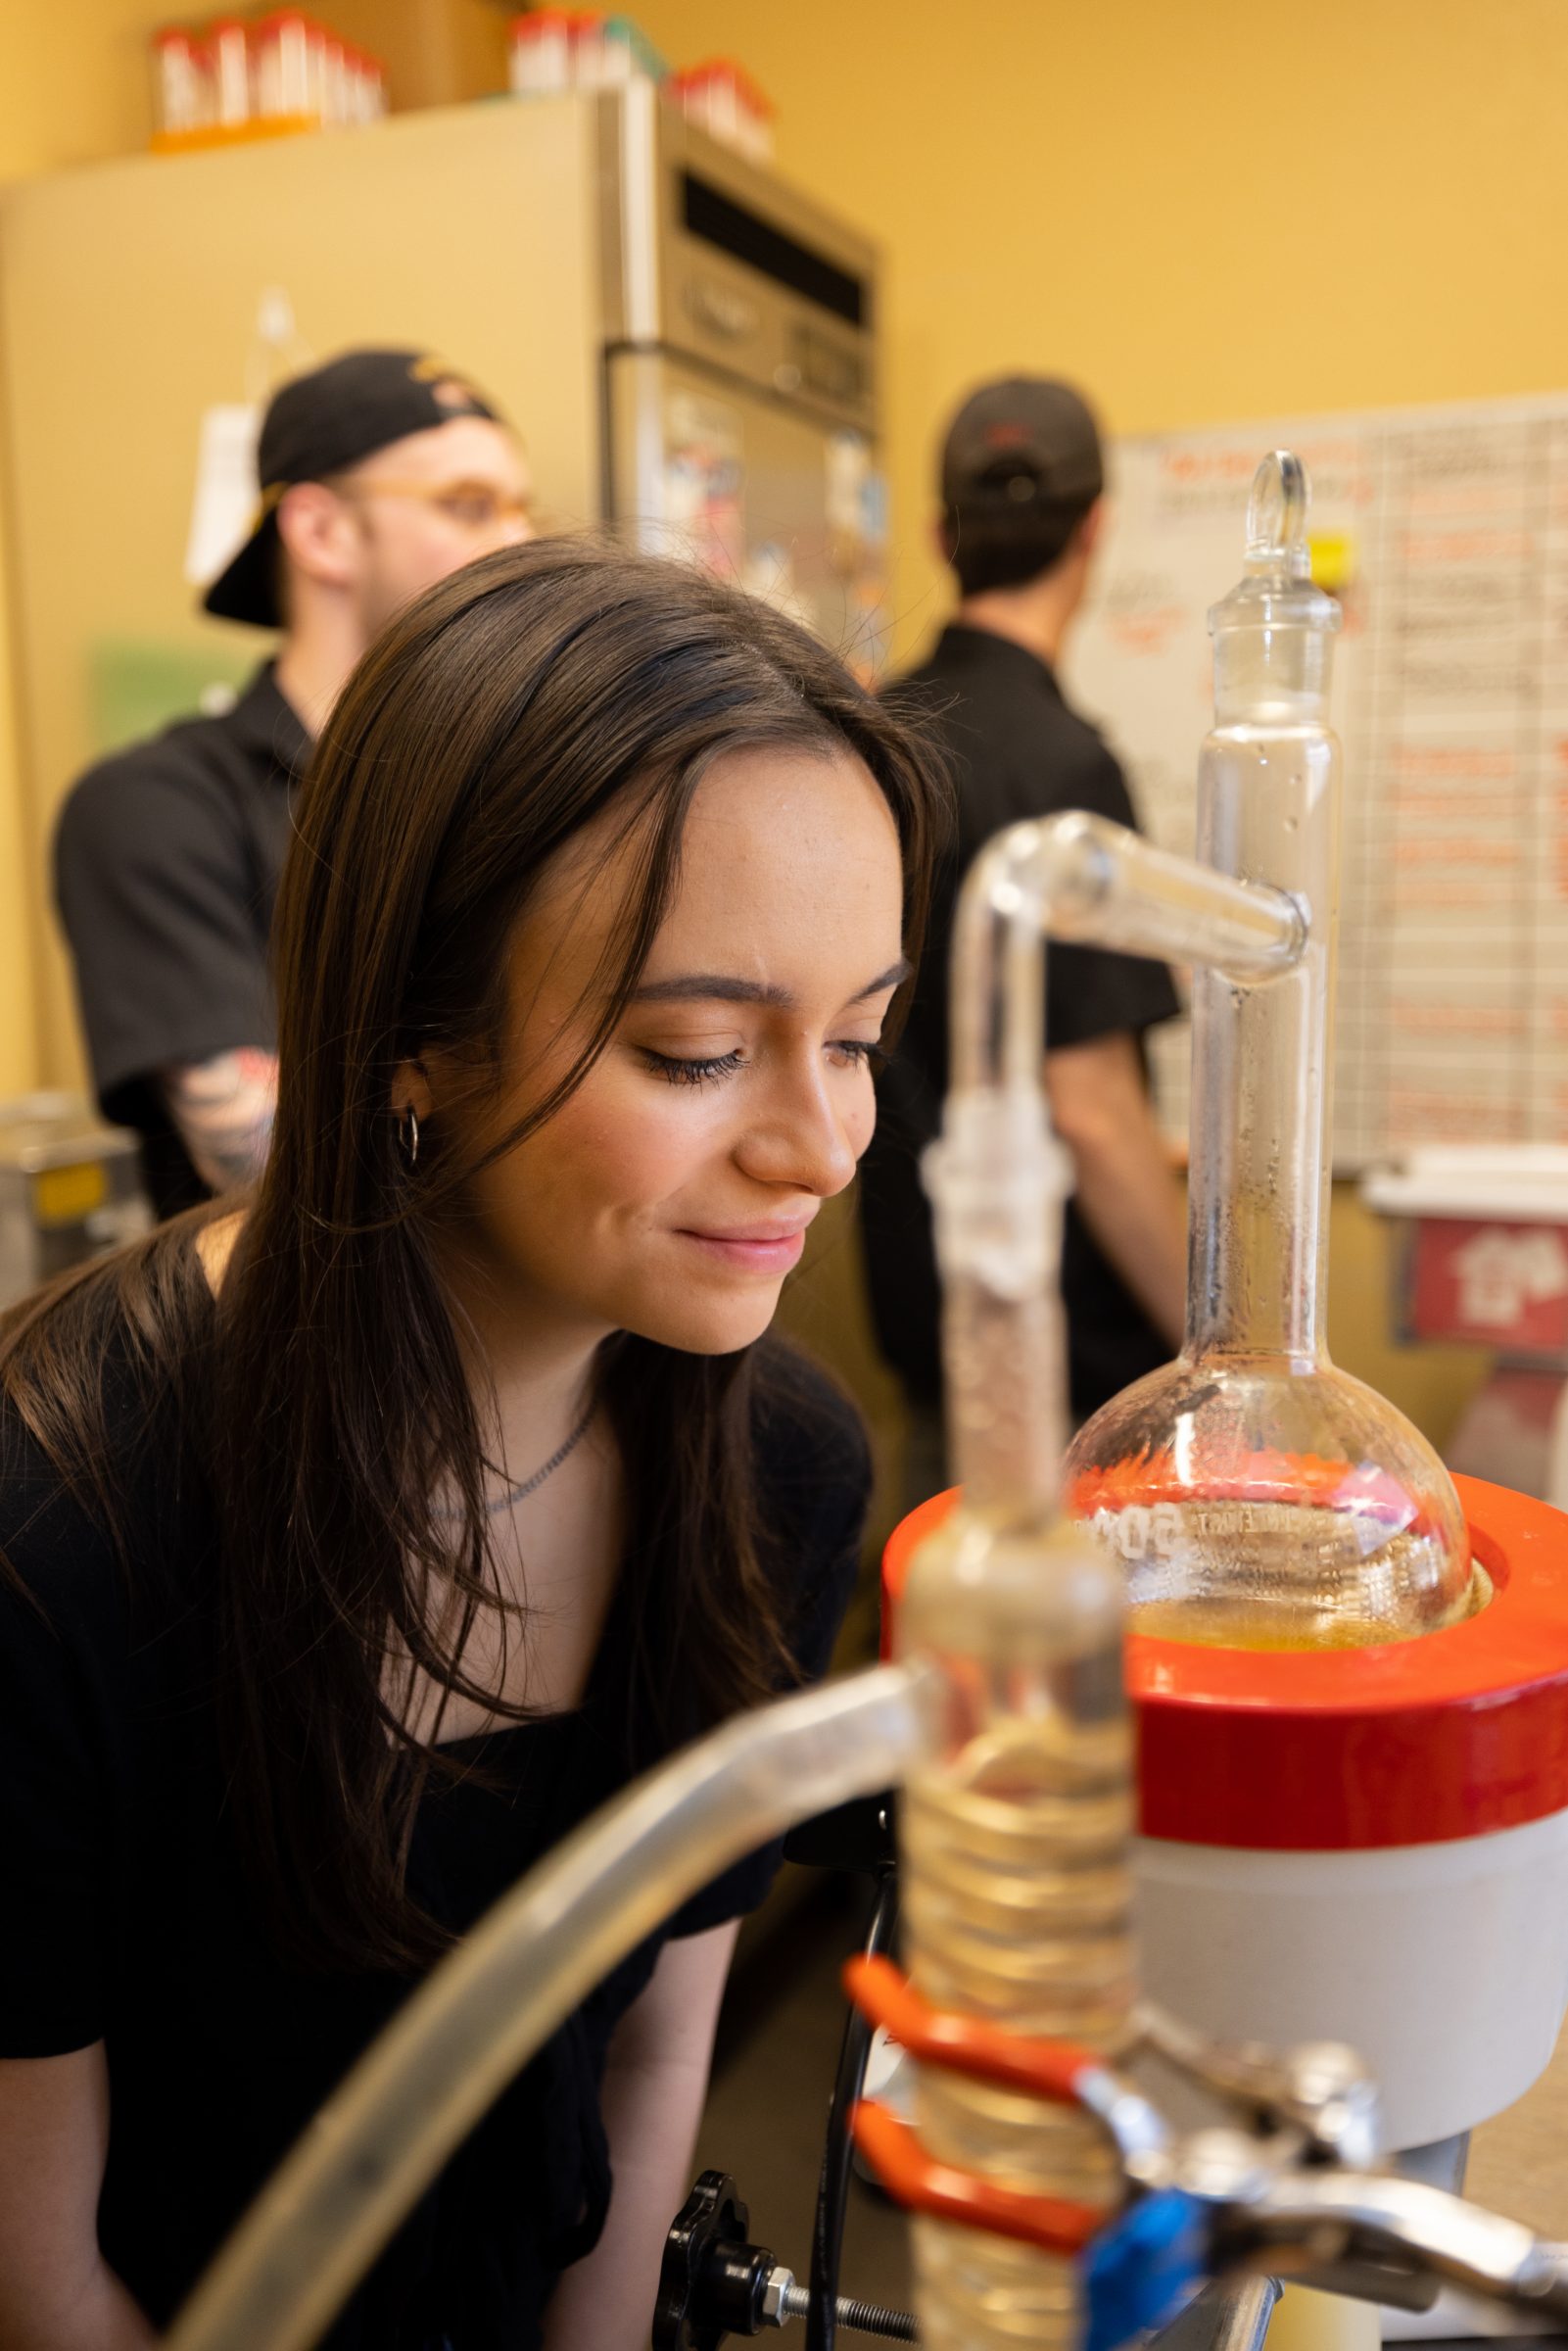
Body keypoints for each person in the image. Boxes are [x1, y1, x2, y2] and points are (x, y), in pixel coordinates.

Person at [0, 539, 945, 2351]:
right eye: (693, 1054)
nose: (822, 1147)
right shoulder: (62, 1529)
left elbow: (660, 2044)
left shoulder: (778, 1465)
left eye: (861, 1038)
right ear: (413, 1040)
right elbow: (34, 2264)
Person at [54, 346, 536, 1221]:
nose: (518, 544)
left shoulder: (515, 790)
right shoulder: (157, 807)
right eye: (468, 506)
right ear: (321, 533)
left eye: (518, 508)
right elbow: (264, 1165)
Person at [859, 375, 1188, 1484]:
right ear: (1094, 526)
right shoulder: (1062, 765)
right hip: (1062, 1350)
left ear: (938, 536)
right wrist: (1214, 1346)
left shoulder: (872, 734)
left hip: (922, 1299)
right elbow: (1086, 1109)